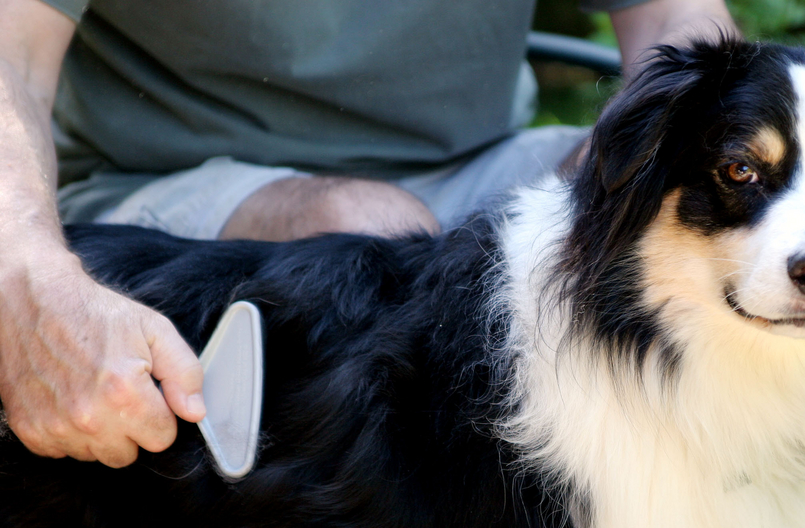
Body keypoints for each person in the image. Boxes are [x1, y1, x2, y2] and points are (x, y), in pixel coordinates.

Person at [0, 0, 736, 469]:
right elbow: (12, 56)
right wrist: (26, 273)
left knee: (678, 224)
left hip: (479, 164)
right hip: (171, 178)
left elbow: (679, 21)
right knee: (370, 238)